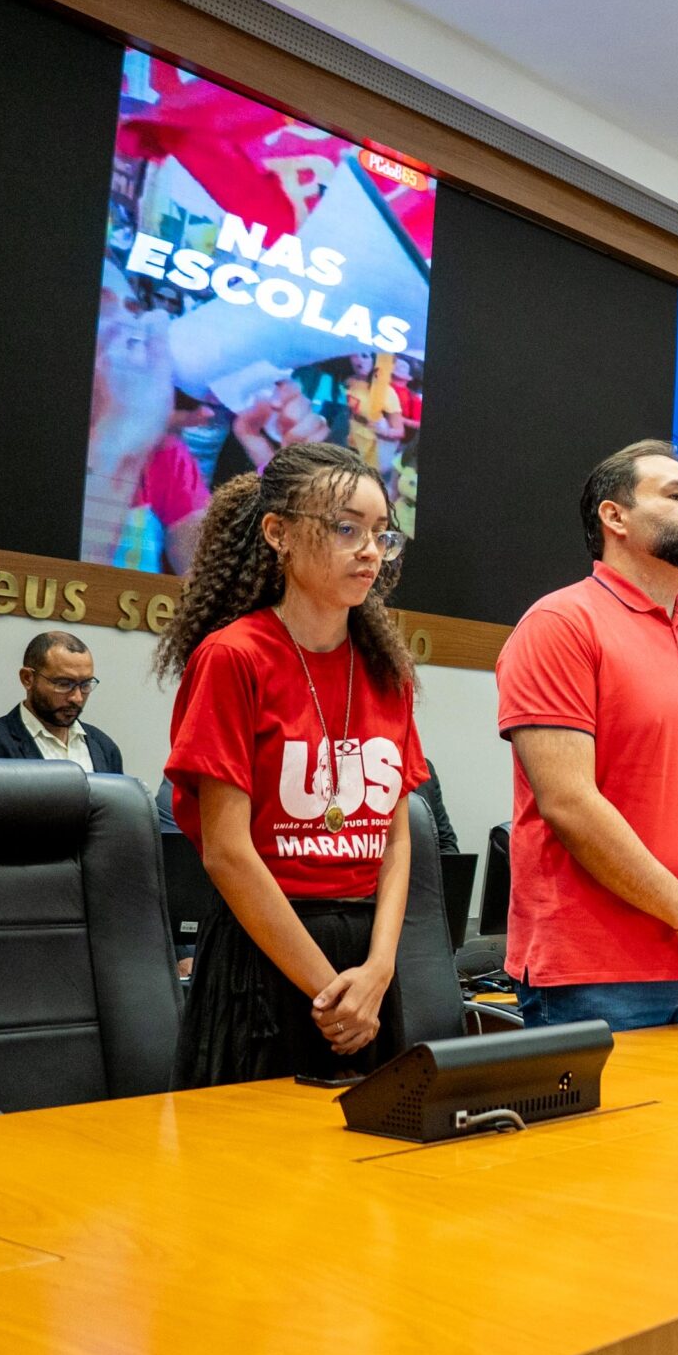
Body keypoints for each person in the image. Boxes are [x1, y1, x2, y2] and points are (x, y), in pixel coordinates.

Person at [156, 442, 430, 1086]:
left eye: (380, 535)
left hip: (369, 964)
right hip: (268, 955)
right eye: (345, 529)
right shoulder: (234, 657)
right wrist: (329, 992)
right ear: (277, 533)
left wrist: (382, 966)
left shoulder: (387, 671)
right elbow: (226, 852)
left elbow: (396, 831)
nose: (369, 549)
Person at [496, 439, 678, 1030]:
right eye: (675, 495)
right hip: (593, 975)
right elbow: (569, 802)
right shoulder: (559, 625)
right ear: (614, 517)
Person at [0, 631, 126, 774]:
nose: (77, 698)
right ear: (27, 678)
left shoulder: (104, 748)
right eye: (64, 684)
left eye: (86, 684)